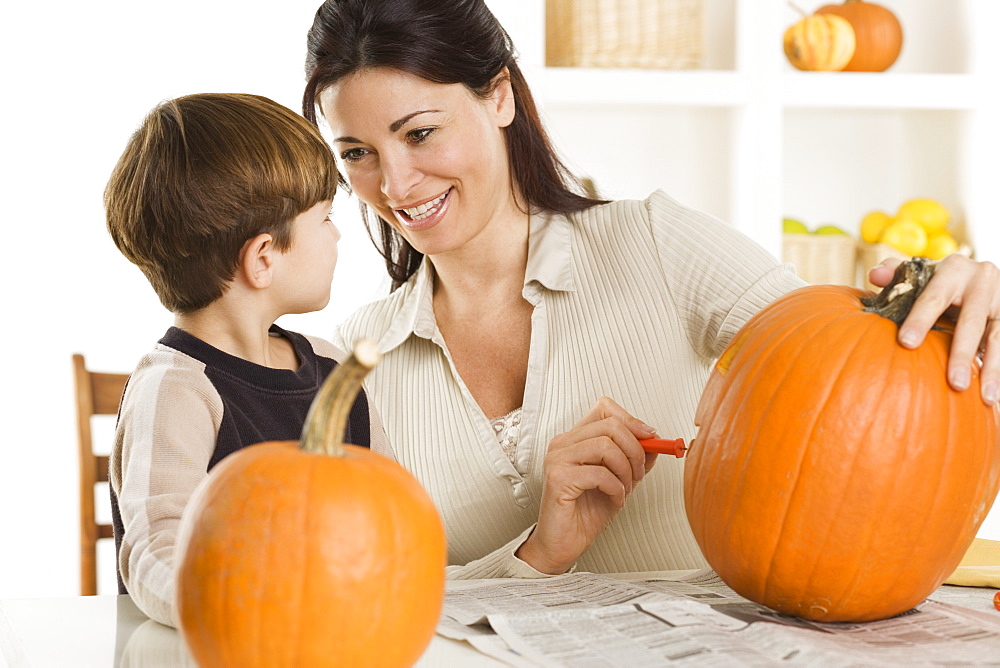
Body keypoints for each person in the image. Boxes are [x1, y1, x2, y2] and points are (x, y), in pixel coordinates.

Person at [302, 0, 1000, 580]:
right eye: (357, 154)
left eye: (419, 133)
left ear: (500, 96)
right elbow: (382, 594)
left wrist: (950, 314)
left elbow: (854, 382)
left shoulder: (656, 244)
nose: (392, 185)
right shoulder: (363, 361)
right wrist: (541, 552)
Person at [104, 93, 387, 627]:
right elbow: (155, 549)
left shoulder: (332, 369)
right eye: (325, 218)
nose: (338, 233)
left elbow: (394, 513)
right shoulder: (175, 390)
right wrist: (235, 605)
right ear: (263, 258)